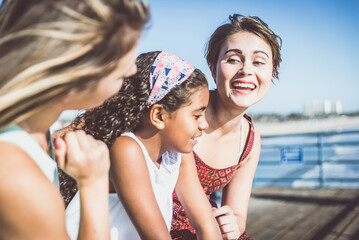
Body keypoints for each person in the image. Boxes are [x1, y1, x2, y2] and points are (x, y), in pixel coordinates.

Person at [0, 0, 149, 239]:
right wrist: (93, 181)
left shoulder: (35, 131)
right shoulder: (20, 178)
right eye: (125, 56)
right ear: (75, 67)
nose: (132, 70)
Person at [64, 51, 222, 239]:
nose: (204, 124)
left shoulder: (176, 155)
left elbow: (206, 225)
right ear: (159, 116)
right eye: (196, 115)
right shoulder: (125, 148)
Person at [171, 14, 282, 240]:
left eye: (259, 62)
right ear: (213, 68)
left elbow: (238, 214)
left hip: (206, 229)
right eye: (233, 59)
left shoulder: (249, 139)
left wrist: (234, 224)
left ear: (272, 74)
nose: (246, 70)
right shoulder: (183, 108)